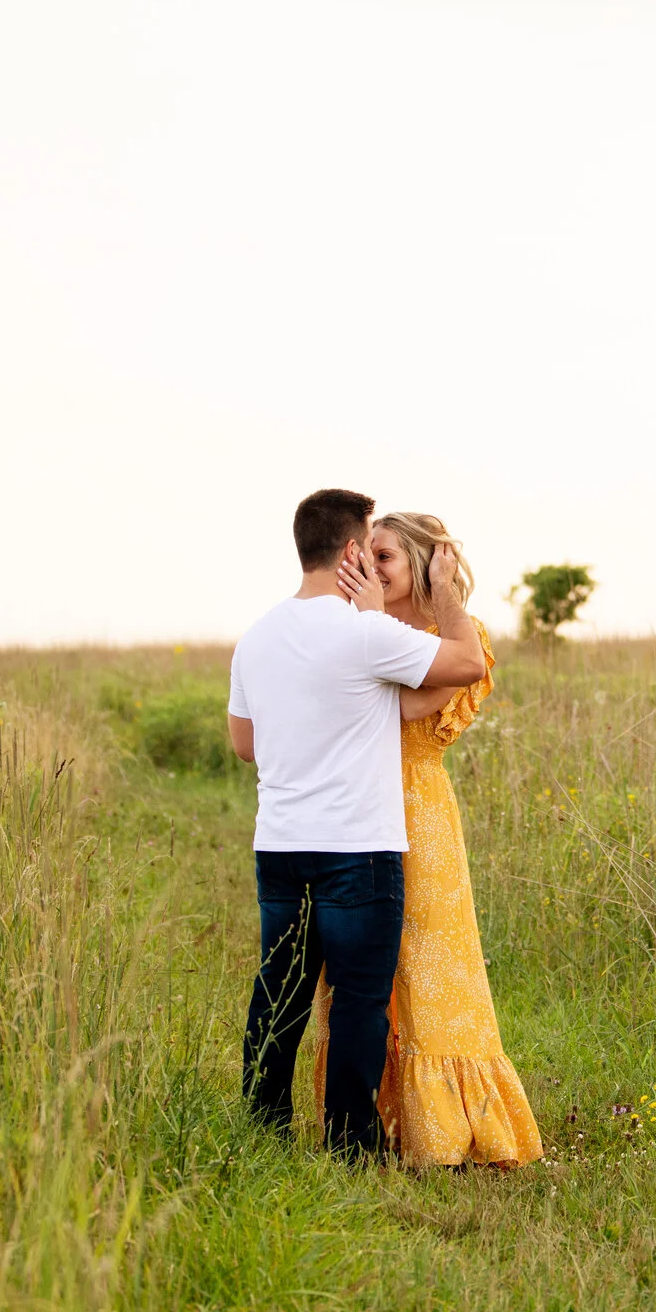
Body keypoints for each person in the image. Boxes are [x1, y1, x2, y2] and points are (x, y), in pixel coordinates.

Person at [226, 488, 487, 1160]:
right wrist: (445, 588)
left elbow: (245, 745)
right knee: (360, 1003)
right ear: (350, 550)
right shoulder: (367, 633)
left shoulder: (256, 637)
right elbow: (468, 662)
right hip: (357, 851)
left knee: (278, 994)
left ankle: (262, 1132)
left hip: (280, 845)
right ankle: (350, 1146)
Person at [321, 512, 543, 1168]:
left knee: (431, 962)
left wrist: (441, 591)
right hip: (354, 811)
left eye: (385, 556)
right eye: (366, 555)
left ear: (422, 563)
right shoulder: (359, 633)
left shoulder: (455, 639)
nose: (371, 567)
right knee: (362, 968)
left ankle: (445, 1128)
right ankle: (367, 1117)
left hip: (419, 813)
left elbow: (412, 702)